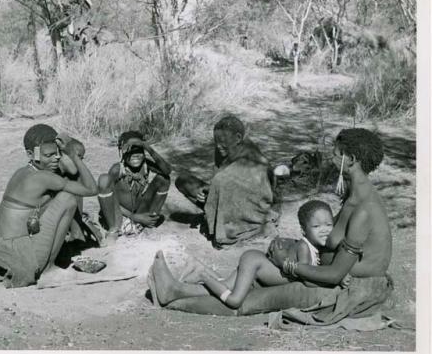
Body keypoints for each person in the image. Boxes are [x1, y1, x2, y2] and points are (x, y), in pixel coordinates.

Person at [148, 128, 393, 325]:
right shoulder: (356, 197)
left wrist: (291, 265)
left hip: (336, 289)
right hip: (322, 276)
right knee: (252, 278)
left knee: (248, 301)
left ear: (350, 160)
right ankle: (176, 289)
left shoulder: (363, 209)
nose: (331, 157)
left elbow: (336, 274)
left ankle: (174, 300)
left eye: (336, 154)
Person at [0, 124, 98, 288]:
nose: (55, 159)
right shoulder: (43, 178)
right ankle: (49, 269)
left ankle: (50, 260)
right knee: (68, 198)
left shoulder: (23, 172)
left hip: (4, 248)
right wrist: (72, 154)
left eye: (57, 153)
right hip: (22, 255)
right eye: (48, 155)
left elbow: (71, 171)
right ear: (31, 154)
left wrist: (60, 152)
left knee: (61, 196)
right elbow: (91, 189)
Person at [176, 200, 335, 309]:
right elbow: (308, 281)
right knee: (234, 300)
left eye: (329, 224)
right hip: (255, 263)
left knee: (225, 285)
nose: (325, 230)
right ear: (304, 231)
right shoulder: (304, 248)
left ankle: (198, 268)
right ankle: (203, 276)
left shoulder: (314, 246)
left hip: (256, 261)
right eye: (317, 226)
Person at [175, 115, 277, 247]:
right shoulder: (223, 150)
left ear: (238, 138)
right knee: (183, 180)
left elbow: (263, 194)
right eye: (215, 141)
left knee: (221, 182)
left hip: (250, 207)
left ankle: (222, 228)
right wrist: (207, 193)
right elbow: (218, 179)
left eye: (222, 141)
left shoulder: (254, 159)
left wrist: (214, 190)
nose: (218, 146)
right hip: (225, 197)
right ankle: (215, 218)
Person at [97, 130, 171, 238]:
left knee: (164, 179)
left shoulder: (146, 165)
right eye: (131, 151)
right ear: (122, 152)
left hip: (140, 213)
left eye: (139, 150)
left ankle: (149, 223)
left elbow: (167, 170)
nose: (135, 155)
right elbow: (109, 200)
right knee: (104, 179)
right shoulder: (117, 169)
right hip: (121, 215)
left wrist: (147, 147)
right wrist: (134, 217)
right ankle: (113, 231)